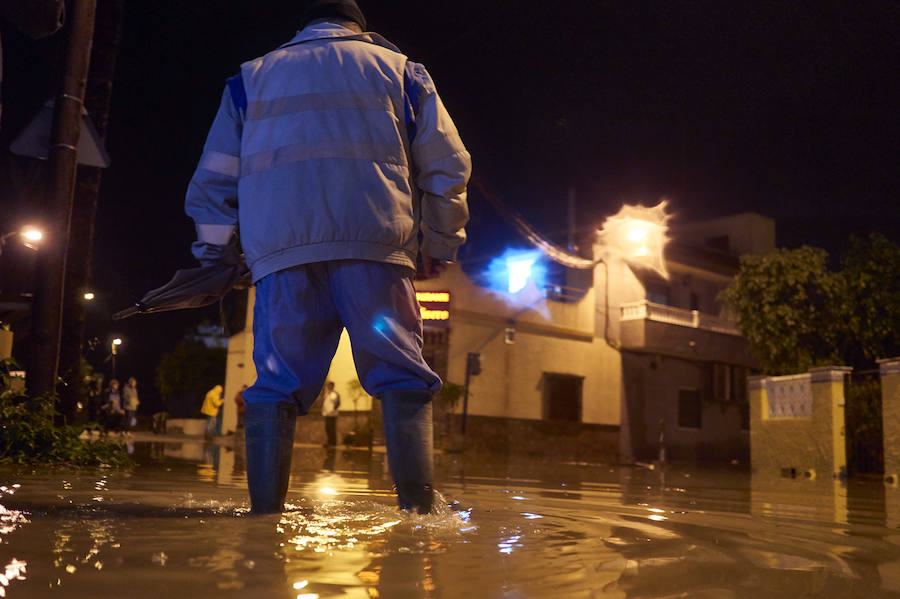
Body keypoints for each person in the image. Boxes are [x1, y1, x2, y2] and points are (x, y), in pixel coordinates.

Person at [184, 0, 470, 514]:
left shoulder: (250, 79)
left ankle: (264, 519)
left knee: (275, 384)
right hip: (376, 247)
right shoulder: (401, 71)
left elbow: (214, 178)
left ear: (303, 27)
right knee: (402, 372)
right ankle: (421, 515)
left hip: (281, 254)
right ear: (358, 27)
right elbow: (448, 167)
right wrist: (440, 243)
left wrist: (214, 253)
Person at [321, 381, 341, 446]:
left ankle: (333, 443)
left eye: (330, 386)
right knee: (327, 428)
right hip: (327, 414)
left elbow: (338, 403)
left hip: (332, 414)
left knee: (332, 428)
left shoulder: (335, 394)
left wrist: (333, 409)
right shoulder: (326, 394)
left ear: (332, 386)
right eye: (328, 386)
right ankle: (329, 441)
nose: (329, 387)